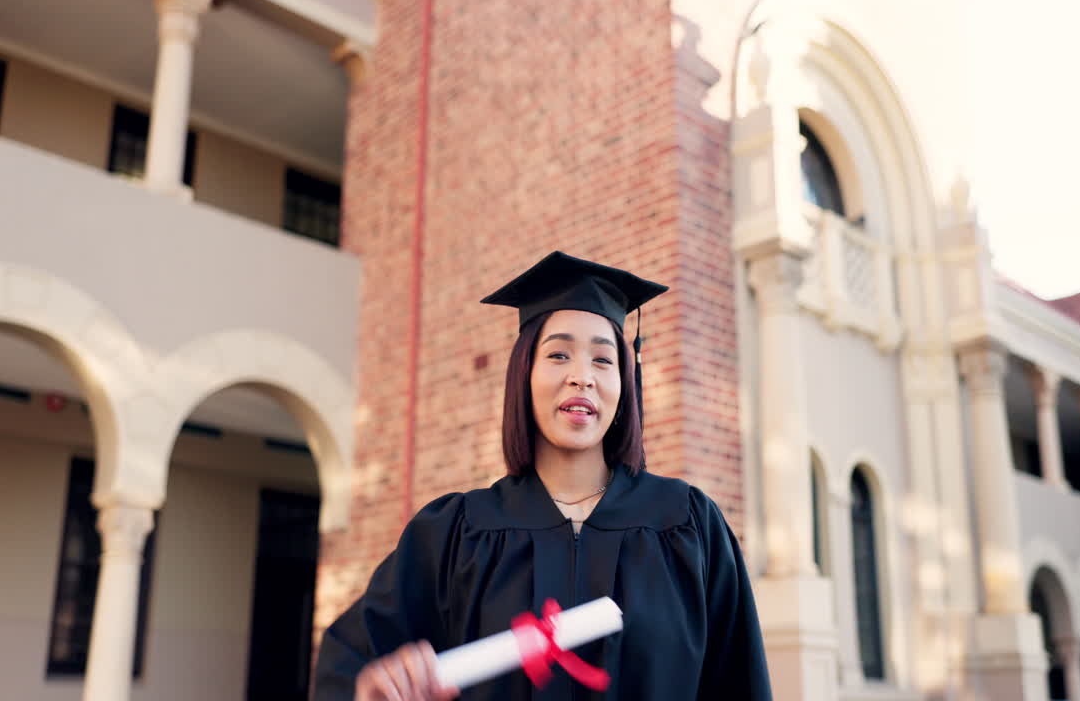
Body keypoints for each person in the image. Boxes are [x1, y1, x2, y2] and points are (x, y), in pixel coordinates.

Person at [314, 251, 772, 701]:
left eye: (602, 359)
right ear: (524, 374)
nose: (582, 377)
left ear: (623, 382)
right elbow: (350, 664)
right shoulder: (456, 534)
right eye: (558, 355)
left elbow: (740, 683)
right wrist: (374, 688)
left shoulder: (687, 527)